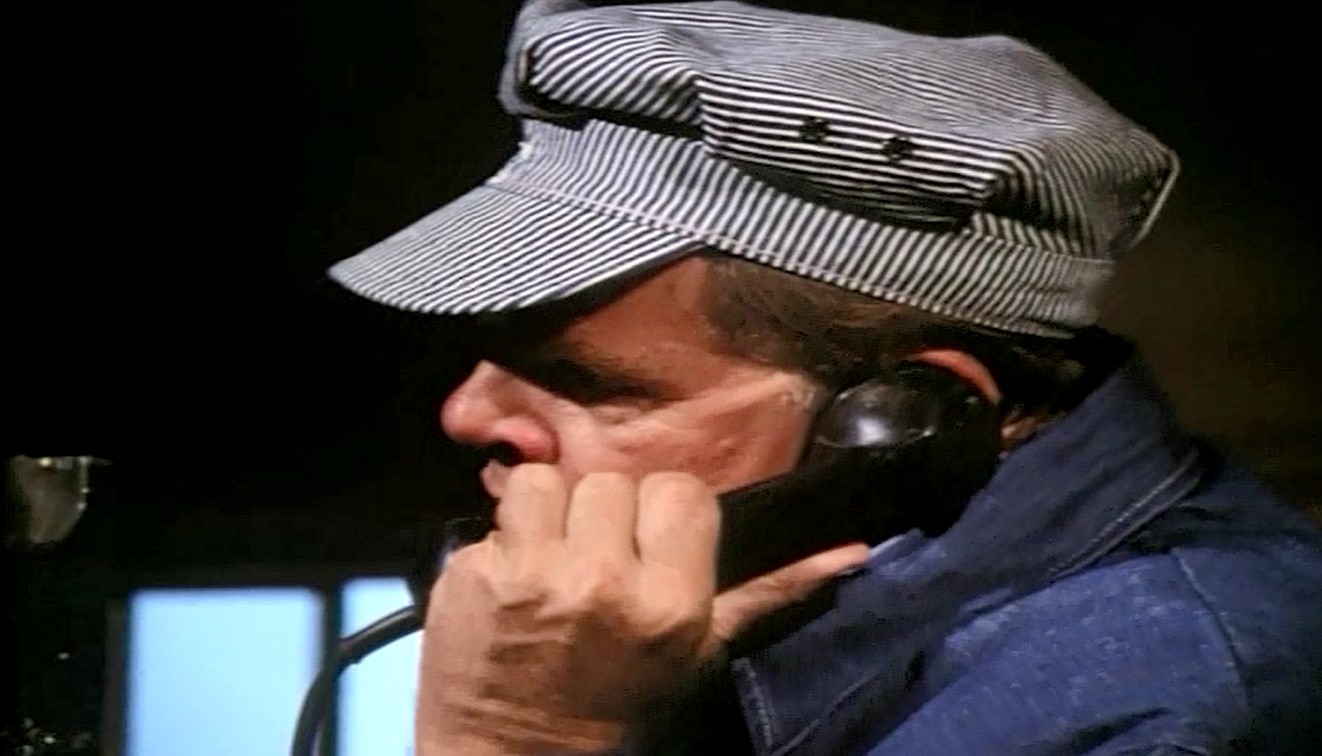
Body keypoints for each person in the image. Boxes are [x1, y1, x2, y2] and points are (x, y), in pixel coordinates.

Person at [329, 1, 1322, 753]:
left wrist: (521, 738)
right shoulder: (704, 618)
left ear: (902, 424)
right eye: (486, 353)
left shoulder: (1169, 711)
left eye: (588, 382)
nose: (467, 413)